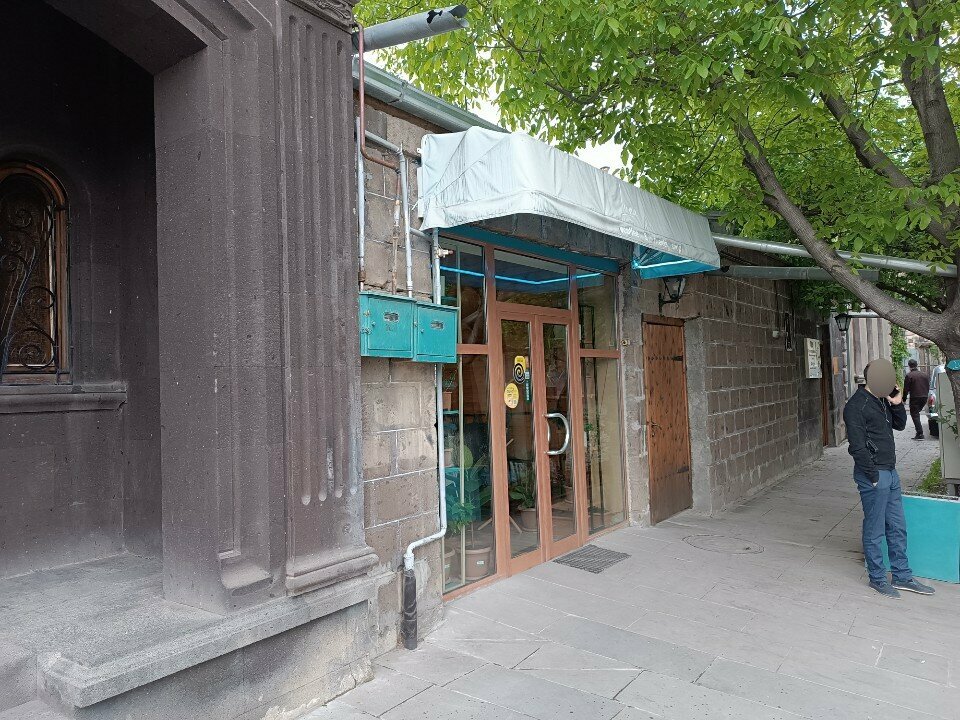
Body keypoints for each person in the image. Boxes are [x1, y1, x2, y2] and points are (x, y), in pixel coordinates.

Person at [843, 358, 935, 598]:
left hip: (891, 473)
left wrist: (896, 403)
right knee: (875, 529)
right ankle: (877, 578)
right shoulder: (856, 406)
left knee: (897, 527)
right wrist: (873, 476)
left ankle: (902, 576)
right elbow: (856, 446)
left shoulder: (882, 400)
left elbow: (901, 424)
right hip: (874, 475)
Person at [903, 359, 931, 440]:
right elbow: (928, 385)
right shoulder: (925, 375)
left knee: (914, 414)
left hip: (915, 397)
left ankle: (920, 433)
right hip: (924, 396)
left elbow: (906, 389)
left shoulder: (909, 376)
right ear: (917, 365)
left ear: (909, 366)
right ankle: (919, 432)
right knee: (916, 413)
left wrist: (904, 399)